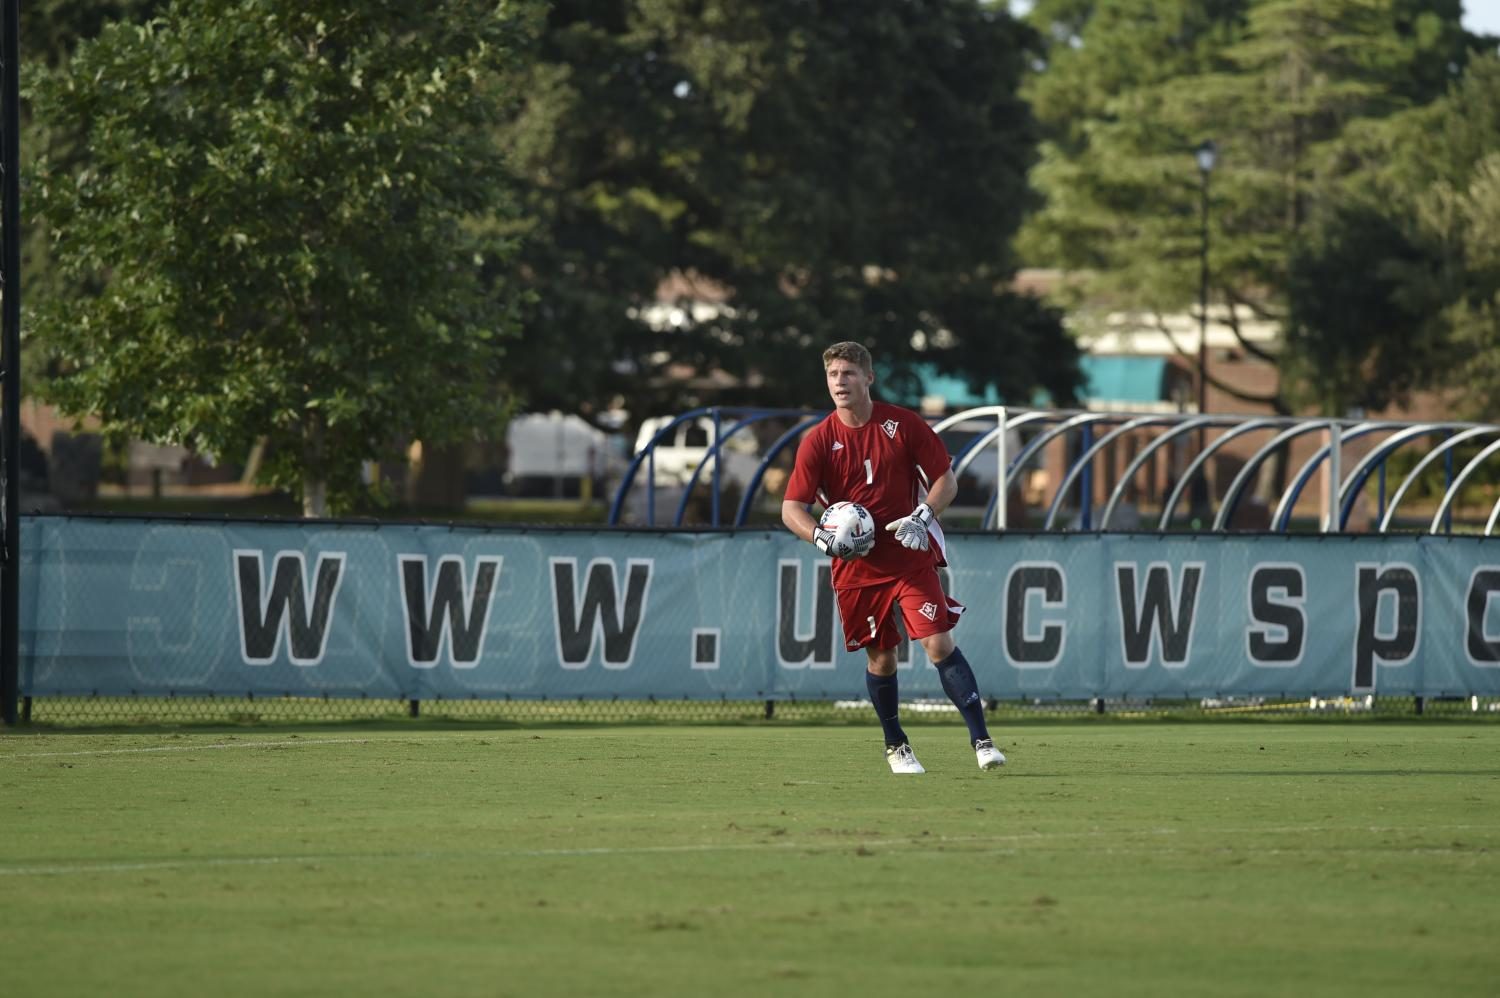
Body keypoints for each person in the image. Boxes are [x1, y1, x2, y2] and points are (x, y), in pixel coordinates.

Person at [780, 341, 1006, 774]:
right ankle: (896, 745)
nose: (839, 382)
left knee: (938, 642)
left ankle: (982, 740)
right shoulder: (819, 441)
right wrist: (821, 539)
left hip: (908, 554)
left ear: (869, 377)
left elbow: (946, 480)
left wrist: (923, 515)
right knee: (882, 658)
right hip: (857, 569)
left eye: (848, 373)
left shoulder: (902, 424)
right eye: (832, 375)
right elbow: (792, 508)